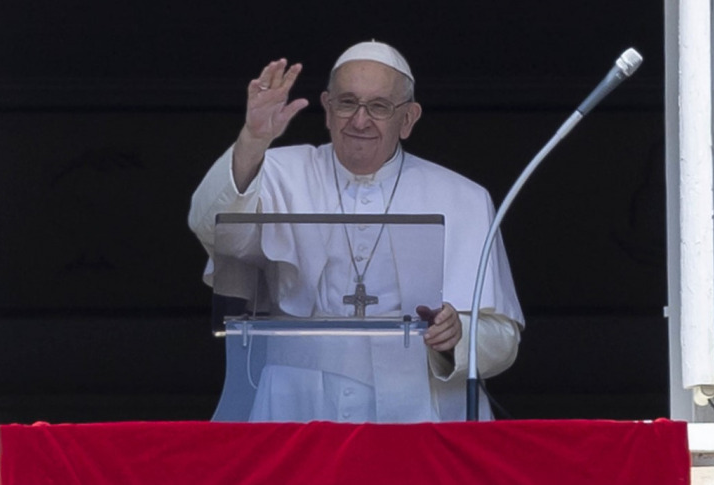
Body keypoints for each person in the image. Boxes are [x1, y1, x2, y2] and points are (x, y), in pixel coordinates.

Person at [189, 41, 523, 422]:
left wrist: (456, 335)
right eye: (347, 103)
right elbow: (214, 229)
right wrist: (252, 140)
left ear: (409, 119)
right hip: (295, 402)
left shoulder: (463, 197)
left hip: (417, 409)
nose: (360, 121)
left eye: (379, 107)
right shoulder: (277, 171)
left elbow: (503, 341)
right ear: (327, 109)